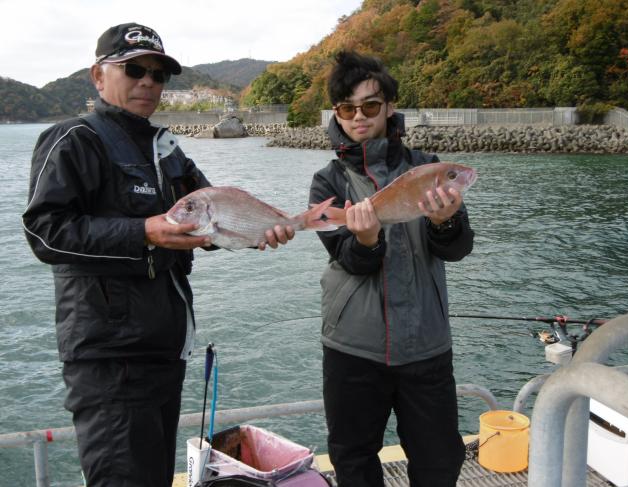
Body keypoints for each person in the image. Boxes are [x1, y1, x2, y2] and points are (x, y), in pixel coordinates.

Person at [22, 22, 294, 487]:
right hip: (110, 363)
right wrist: (143, 232)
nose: (148, 82)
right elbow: (45, 231)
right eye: (134, 70)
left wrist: (256, 232)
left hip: (165, 353)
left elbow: (209, 224)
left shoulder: (167, 150)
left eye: (158, 74)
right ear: (98, 76)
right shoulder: (74, 140)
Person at [309, 51, 474, 487]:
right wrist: (365, 240)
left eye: (369, 105)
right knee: (353, 459)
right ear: (337, 113)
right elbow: (346, 259)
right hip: (352, 349)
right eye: (347, 108)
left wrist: (447, 221)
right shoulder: (328, 182)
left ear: (390, 107)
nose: (358, 117)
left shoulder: (428, 168)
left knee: (440, 459)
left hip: (427, 346)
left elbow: (457, 249)